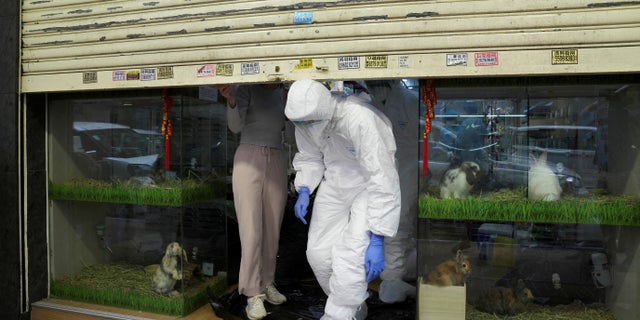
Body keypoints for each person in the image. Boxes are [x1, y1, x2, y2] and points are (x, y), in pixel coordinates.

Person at [286, 79, 401, 320]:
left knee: (351, 254)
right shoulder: (305, 119)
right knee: (317, 253)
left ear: (323, 112)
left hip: (367, 186)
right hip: (335, 181)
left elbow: (382, 177)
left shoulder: (361, 118)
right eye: (301, 124)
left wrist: (377, 237)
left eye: (309, 123)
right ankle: (351, 304)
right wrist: (305, 187)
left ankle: (339, 314)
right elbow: (309, 156)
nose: (305, 127)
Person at [216, 83, 288, 320]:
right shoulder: (246, 87)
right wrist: (232, 101)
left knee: (273, 230)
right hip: (249, 157)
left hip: (277, 156)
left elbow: (291, 128)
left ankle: (267, 283)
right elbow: (235, 127)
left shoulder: (284, 91)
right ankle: (252, 294)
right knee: (251, 231)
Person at [364, 79, 419, 304]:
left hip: (405, 172)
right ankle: (394, 277)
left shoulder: (410, 101)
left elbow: (423, 137)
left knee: (400, 223)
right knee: (388, 225)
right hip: (379, 174)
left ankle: (395, 279)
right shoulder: (367, 105)